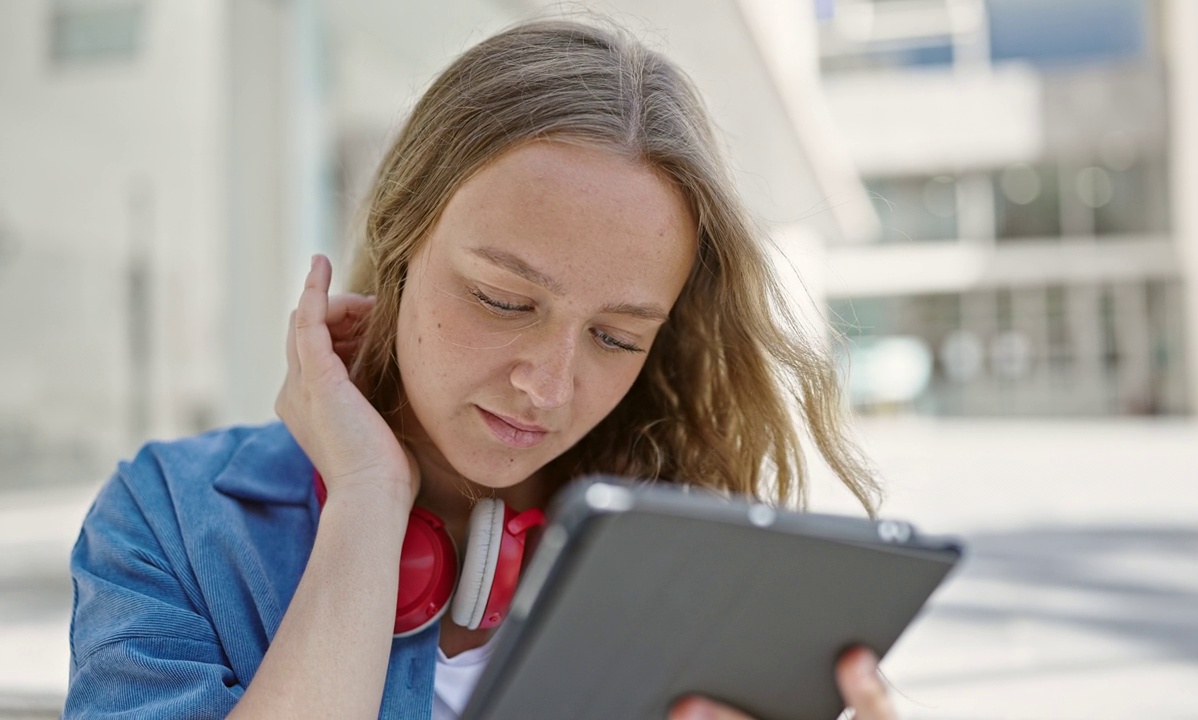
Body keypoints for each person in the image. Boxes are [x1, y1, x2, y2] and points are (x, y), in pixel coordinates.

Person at [64, 17, 889, 720]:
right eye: (504, 299)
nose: (549, 387)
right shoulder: (167, 520)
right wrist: (366, 498)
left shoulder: (700, 570)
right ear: (400, 245)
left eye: (616, 337)